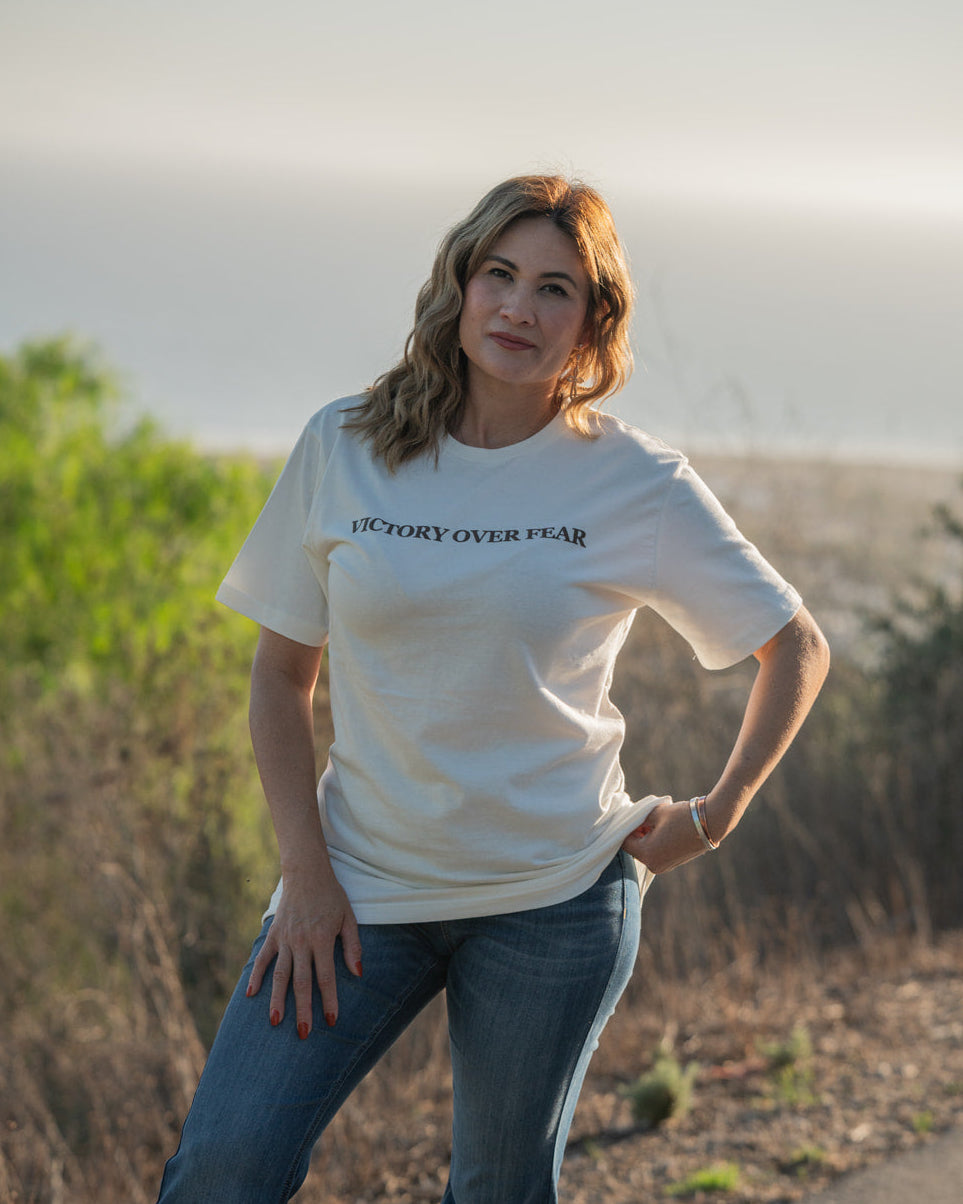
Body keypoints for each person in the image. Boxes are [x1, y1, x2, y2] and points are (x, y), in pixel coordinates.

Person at [156, 174, 830, 1203]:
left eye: (555, 289)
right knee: (224, 1167)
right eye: (499, 275)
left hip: (552, 899)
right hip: (356, 886)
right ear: (458, 288)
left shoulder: (635, 482)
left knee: (496, 1192)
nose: (519, 307)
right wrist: (306, 872)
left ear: (594, 321)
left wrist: (717, 813)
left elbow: (795, 646)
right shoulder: (347, 444)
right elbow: (282, 676)